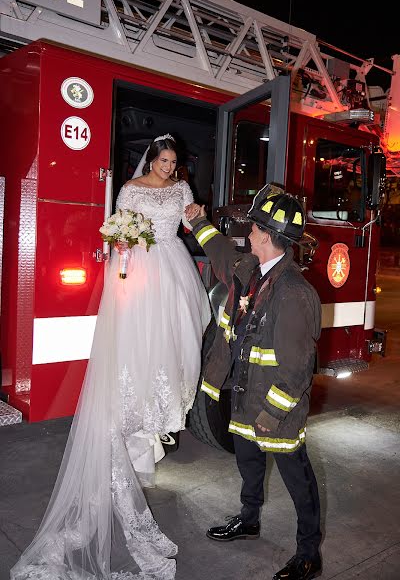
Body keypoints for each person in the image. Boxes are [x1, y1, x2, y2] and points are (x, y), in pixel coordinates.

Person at [11, 134, 211, 580]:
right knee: (137, 339)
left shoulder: (180, 189)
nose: (168, 167)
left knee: (176, 338)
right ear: (151, 159)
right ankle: (136, 411)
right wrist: (123, 246)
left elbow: (190, 219)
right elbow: (120, 226)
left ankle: (155, 415)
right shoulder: (129, 188)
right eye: (163, 160)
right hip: (141, 267)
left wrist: (196, 216)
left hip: (174, 267)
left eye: (174, 161)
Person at [185, 185, 322, 580]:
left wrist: (272, 414)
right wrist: (197, 221)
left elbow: (296, 370)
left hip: (274, 411)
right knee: (248, 465)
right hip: (246, 400)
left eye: (255, 225)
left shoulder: (294, 293)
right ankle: (249, 519)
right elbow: (221, 253)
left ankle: (309, 554)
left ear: (264, 234)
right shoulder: (250, 268)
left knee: (298, 479)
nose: (249, 230)